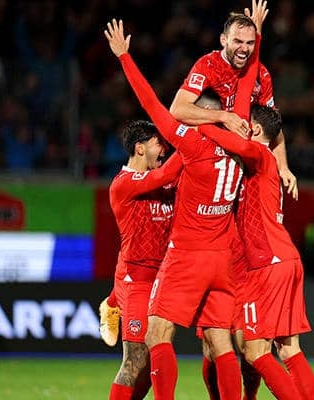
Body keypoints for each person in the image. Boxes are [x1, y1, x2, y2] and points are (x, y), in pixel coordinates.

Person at [105, 19, 254, 400]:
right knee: (220, 342)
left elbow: (154, 105)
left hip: (187, 256)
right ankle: (112, 299)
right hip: (221, 259)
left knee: (158, 335)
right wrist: (252, 47)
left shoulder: (192, 146)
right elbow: (242, 92)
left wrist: (124, 58)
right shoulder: (244, 146)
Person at [200, 102, 314, 400]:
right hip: (285, 257)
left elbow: (237, 143)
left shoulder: (261, 155)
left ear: (254, 129)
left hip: (268, 263)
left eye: (244, 122)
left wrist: (202, 123)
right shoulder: (265, 164)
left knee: (255, 352)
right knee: (289, 349)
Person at [169, 0, 299, 201]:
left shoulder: (261, 75)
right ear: (224, 40)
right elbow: (177, 110)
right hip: (205, 160)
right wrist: (223, 116)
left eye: (250, 43)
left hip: (241, 164)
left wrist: (283, 167)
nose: (244, 49)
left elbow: (272, 124)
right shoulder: (208, 65)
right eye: (238, 41)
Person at [105, 121, 183, 400]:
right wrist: (193, 140)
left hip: (162, 281)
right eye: (158, 143)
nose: (164, 149)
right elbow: (168, 173)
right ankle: (114, 301)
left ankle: (111, 301)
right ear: (139, 148)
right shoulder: (123, 184)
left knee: (152, 364)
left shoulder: (164, 182)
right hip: (136, 280)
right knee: (134, 360)